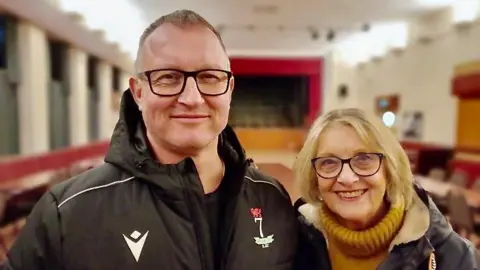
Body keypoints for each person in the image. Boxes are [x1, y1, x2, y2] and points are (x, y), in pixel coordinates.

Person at [2, 9, 297, 269]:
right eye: (168, 77)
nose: (192, 98)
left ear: (229, 89)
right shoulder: (66, 213)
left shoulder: (272, 199)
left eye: (209, 77)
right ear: (139, 91)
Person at [292, 108, 479, 270]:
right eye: (328, 162)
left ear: (390, 168)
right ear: (313, 176)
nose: (347, 178)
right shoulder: (291, 239)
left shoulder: (454, 257)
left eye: (364, 159)